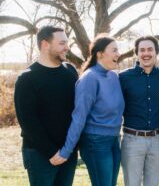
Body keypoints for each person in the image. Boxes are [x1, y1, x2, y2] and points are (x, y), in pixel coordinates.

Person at [50, 36, 125, 186]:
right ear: (100, 54)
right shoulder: (90, 78)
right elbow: (79, 117)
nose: (118, 54)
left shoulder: (113, 76)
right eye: (114, 50)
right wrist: (66, 150)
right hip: (95, 142)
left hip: (114, 140)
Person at [14, 26, 78, 186]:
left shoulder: (70, 71)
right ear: (45, 44)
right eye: (62, 43)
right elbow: (28, 121)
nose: (67, 47)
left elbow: (77, 111)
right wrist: (51, 152)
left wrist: (69, 148)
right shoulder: (27, 78)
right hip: (39, 154)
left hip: (67, 152)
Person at [119, 36, 159, 186]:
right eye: (142, 50)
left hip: (157, 139)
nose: (146, 53)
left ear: (156, 52)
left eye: (150, 49)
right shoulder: (123, 77)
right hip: (132, 139)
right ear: (137, 53)